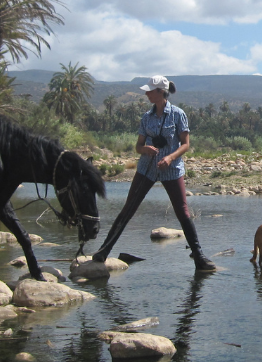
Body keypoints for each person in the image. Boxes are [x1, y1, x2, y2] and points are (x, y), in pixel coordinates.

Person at [92, 75, 217, 271]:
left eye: (150, 90)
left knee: (182, 211)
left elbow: (185, 144)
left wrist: (170, 158)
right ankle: (103, 251)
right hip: (146, 169)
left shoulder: (178, 114)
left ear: (160, 92)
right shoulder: (146, 117)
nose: (146, 93)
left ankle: (199, 257)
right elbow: (138, 146)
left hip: (172, 169)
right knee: (129, 208)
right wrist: (146, 150)